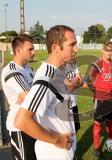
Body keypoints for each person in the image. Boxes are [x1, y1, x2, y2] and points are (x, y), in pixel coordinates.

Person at [14, 25, 78, 160]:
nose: (76, 49)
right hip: (54, 154)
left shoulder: (58, 73)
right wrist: (57, 140)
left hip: (65, 152)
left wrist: (70, 87)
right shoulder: (47, 78)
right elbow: (21, 121)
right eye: (72, 45)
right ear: (55, 47)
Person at [1, 34, 36, 160]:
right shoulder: (11, 71)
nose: (34, 51)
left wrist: (31, 93)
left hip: (32, 123)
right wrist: (31, 93)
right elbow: (33, 97)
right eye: (30, 49)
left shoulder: (28, 68)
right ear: (18, 50)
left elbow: (39, 90)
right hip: (20, 127)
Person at [88, 41, 112, 157]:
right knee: (97, 123)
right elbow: (89, 80)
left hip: (111, 99)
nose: (108, 53)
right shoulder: (96, 64)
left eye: (110, 50)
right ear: (102, 51)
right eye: (106, 50)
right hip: (100, 99)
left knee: (110, 122)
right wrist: (97, 92)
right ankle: (96, 147)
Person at [64, 60, 83, 133]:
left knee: (76, 128)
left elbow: (81, 81)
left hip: (74, 103)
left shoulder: (74, 63)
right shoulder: (62, 66)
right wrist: (76, 80)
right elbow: (69, 88)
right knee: (68, 131)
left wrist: (73, 82)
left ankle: (75, 144)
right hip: (66, 105)